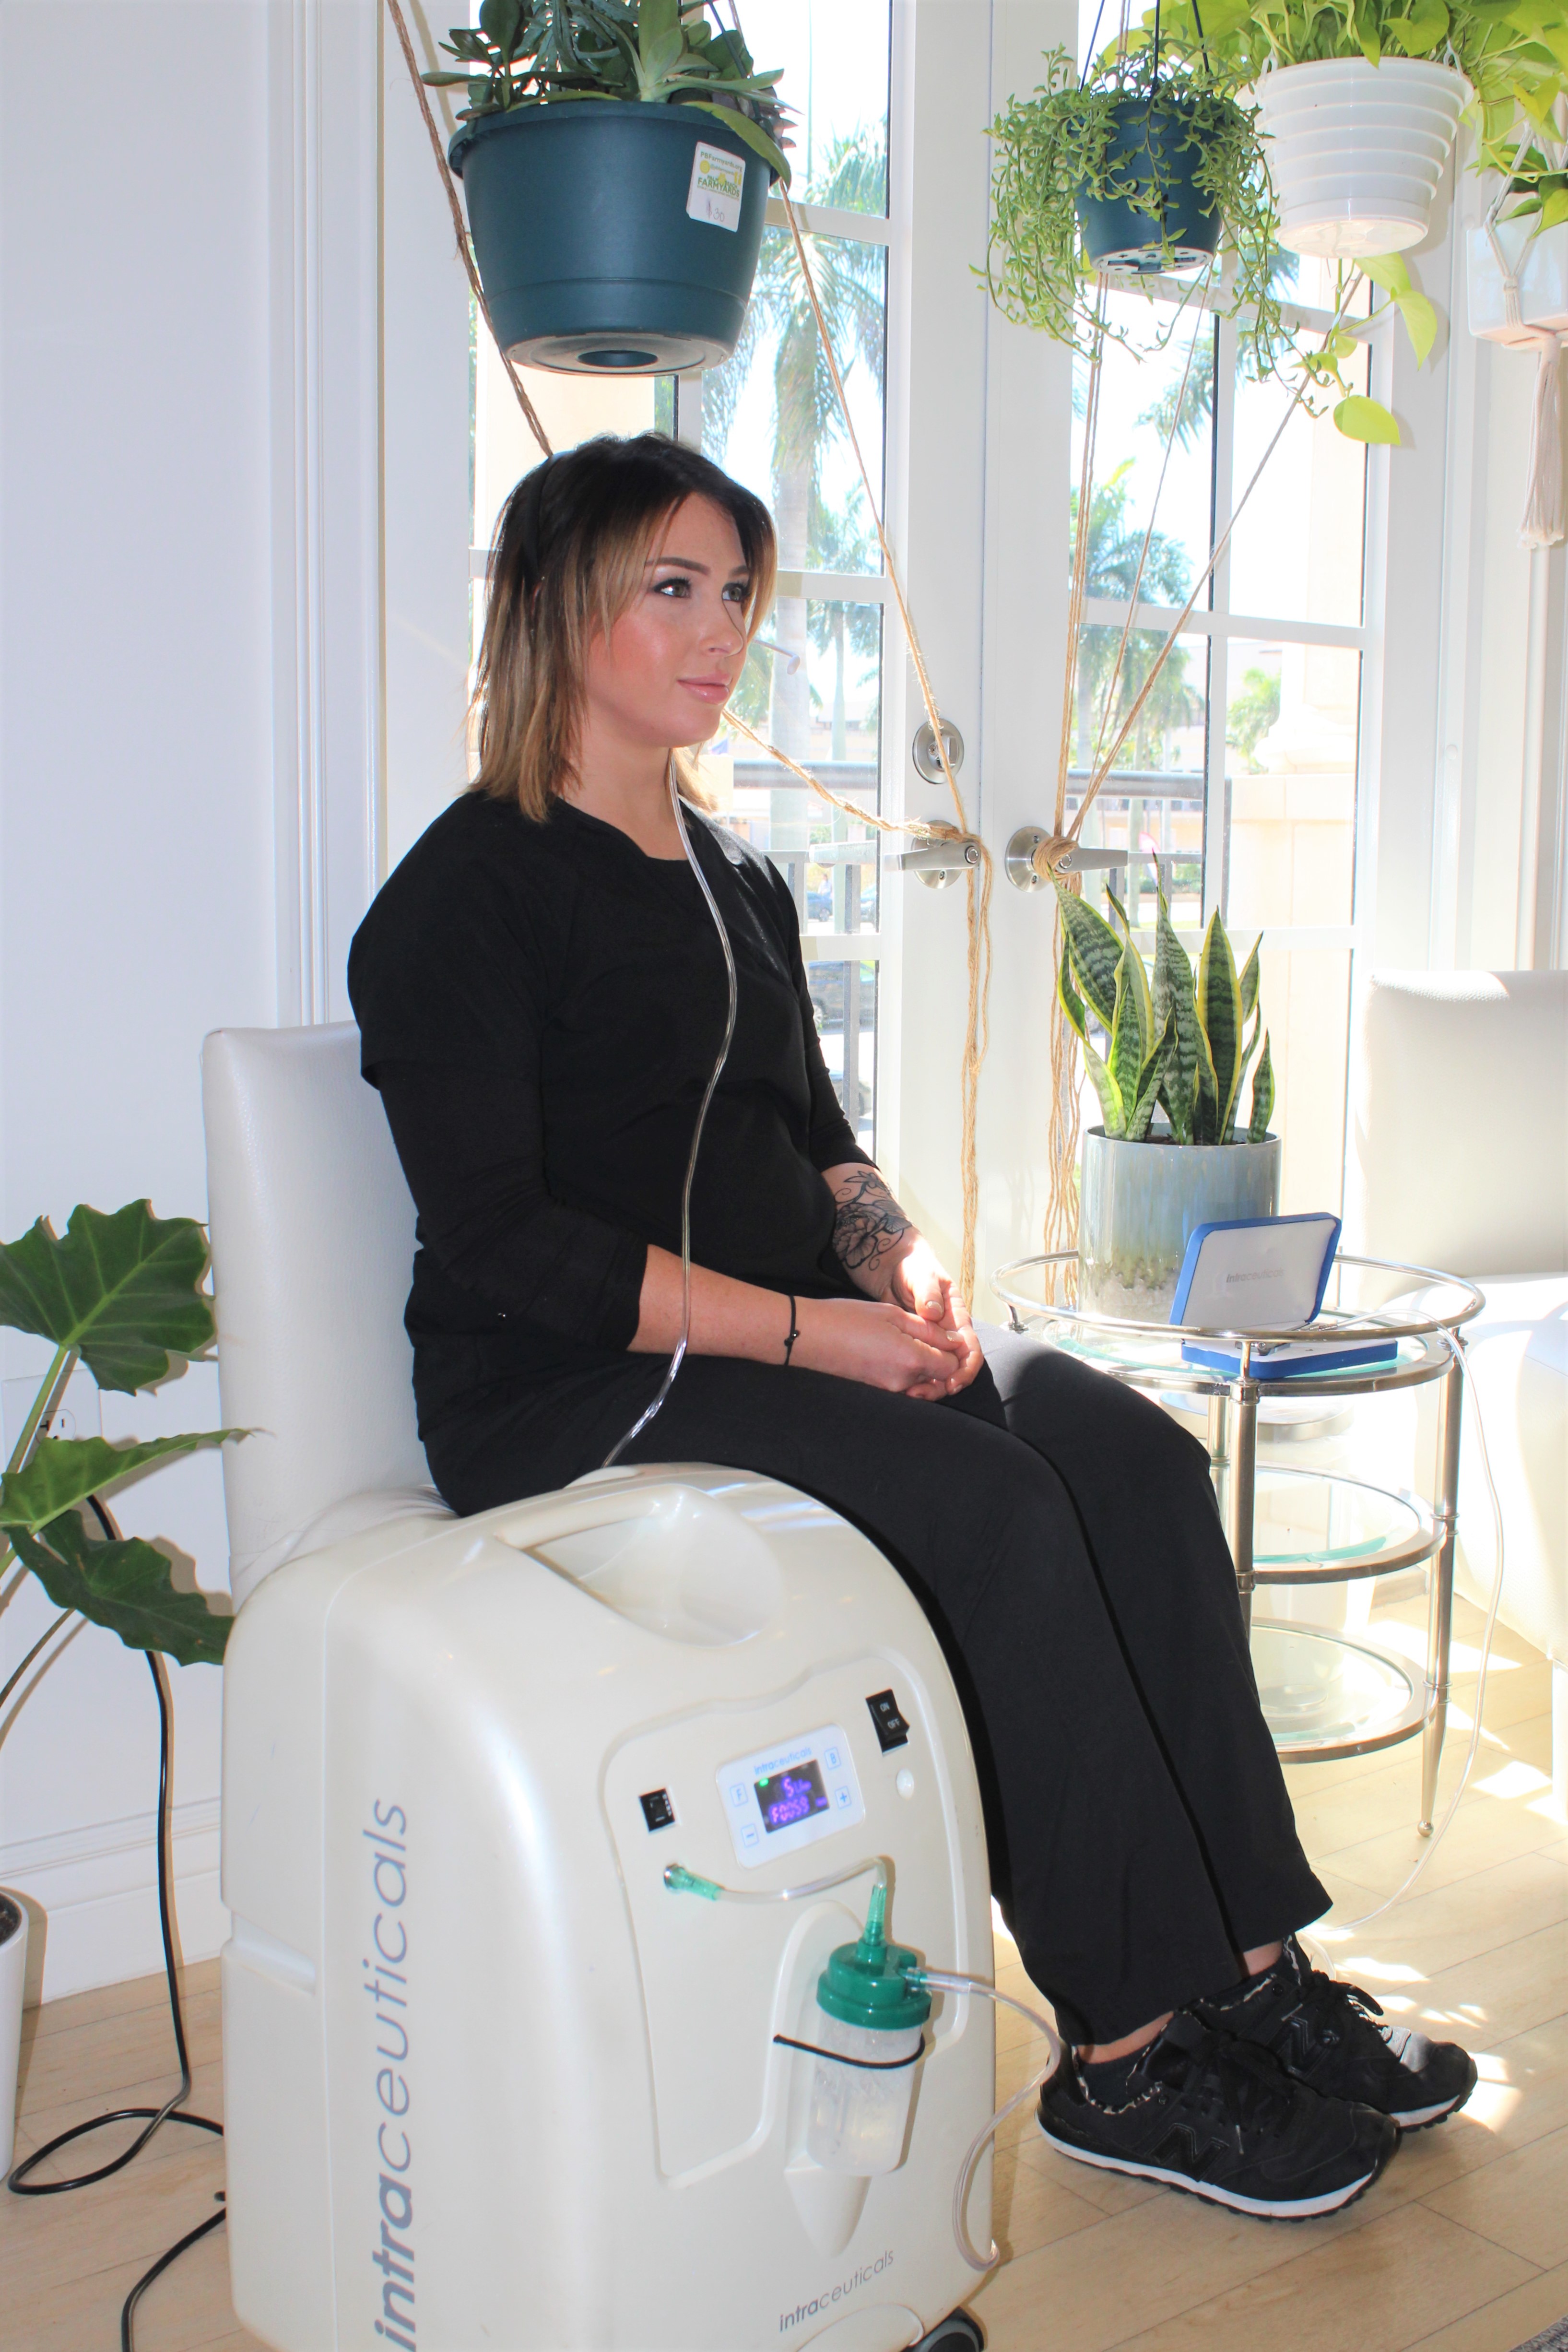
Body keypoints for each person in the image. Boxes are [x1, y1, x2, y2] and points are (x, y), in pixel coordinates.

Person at [348, 432, 1474, 2221]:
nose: (721, 630)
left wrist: (901, 1265)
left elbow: (815, 1144)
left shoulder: (738, 882)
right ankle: (1123, 2052)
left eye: (736, 593)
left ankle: (1255, 1975)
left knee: (1121, 1450)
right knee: (998, 1512)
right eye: (673, 587)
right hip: (569, 1393)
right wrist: (813, 1337)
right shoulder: (462, 895)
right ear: (561, 608)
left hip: (790, 1337)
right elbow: (508, 1250)